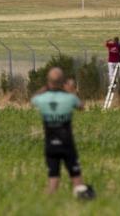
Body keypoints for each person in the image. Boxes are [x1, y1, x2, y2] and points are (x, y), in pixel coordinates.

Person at [31, 67, 93, 198]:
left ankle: (47, 203)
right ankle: (81, 199)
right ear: (62, 82)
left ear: (48, 81)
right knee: (76, 178)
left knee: (53, 179)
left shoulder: (42, 99)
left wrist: (46, 87)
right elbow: (81, 106)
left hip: (50, 145)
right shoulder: (69, 99)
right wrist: (71, 91)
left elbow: (33, 99)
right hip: (67, 144)